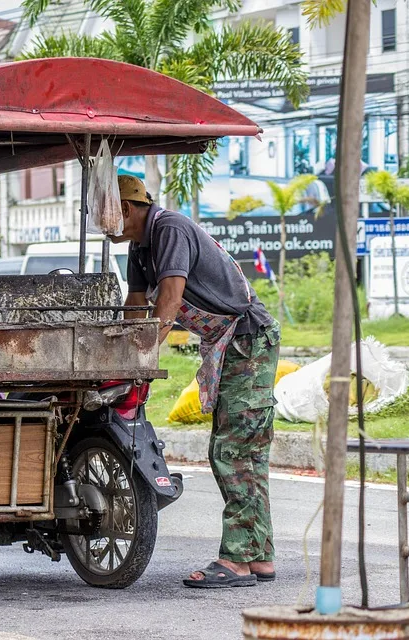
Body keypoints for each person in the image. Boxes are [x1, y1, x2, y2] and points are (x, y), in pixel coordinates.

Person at [109, 175, 280, 589]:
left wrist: (146, 354)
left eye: (105, 215)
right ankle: (259, 555)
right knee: (244, 451)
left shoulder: (169, 229)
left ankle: (236, 561)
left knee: (233, 449)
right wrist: (116, 352)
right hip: (229, 342)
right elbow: (136, 304)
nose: (102, 226)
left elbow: (168, 297)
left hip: (247, 340)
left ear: (127, 210)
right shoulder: (139, 247)